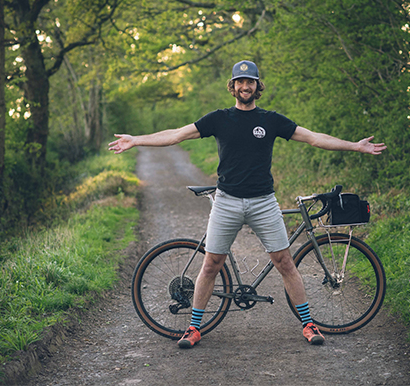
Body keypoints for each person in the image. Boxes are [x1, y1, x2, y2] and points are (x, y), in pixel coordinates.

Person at [109, 60, 387, 349]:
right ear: (232, 87)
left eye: (250, 82)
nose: (245, 87)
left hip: (263, 203)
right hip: (226, 202)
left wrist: (355, 145)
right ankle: (193, 328)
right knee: (211, 265)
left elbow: (314, 138)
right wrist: (136, 140)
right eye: (240, 82)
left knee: (285, 263)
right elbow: (176, 135)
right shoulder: (218, 119)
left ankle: (308, 324)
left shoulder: (271, 120)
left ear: (257, 86)